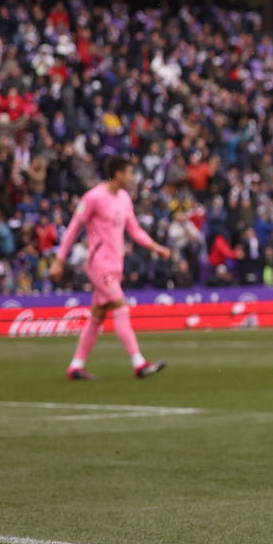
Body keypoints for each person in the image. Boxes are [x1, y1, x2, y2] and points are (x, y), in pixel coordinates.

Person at [49, 155, 171, 381]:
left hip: (115, 266)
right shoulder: (94, 197)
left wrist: (156, 247)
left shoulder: (124, 198)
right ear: (118, 174)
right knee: (120, 306)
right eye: (129, 173)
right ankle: (139, 362)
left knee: (97, 316)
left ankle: (76, 366)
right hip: (98, 265)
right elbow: (74, 227)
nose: (132, 177)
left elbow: (134, 230)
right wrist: (59, 259)